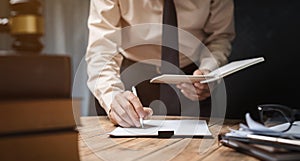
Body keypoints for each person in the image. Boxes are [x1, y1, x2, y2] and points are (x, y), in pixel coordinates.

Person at [86, 0, 235, 127]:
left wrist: (209, 71)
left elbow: (220, 37)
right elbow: (101, 49)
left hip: (192, 81)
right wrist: (112, 95)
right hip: (129, 80)